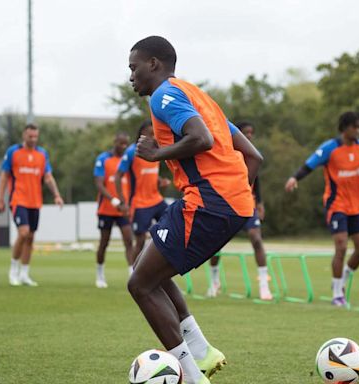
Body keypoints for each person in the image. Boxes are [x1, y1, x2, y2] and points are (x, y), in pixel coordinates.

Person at [127, 36, 263, 384]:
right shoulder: (199, 97)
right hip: (228, 202)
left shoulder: (164, 96)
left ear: (154, 64)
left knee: (140, 285)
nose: (131, 77)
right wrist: (234, 198)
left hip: (208, 202)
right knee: (150, 267)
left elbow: (199, 138)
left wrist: (156, 155)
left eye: (134, 67)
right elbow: (254, 156)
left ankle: (191, 376)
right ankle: (201, 352)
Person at [285, 111, 359, 306]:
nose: (358, 130)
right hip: (336, 205)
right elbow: (309, 165)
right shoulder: (330, 148)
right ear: (344, 128)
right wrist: (294, 178)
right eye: (354, 126)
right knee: (341, 246)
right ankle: (337, 294)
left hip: (356, 207)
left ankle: (344, 277)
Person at [207, 121, 272, 300]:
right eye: (246, 133)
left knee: (256, 238)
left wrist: (260, 202)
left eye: (251, 133)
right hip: (227, 203)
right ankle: (214, 281)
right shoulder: (227, 153)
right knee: (215, 245)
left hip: (247, 203)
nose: (249, 136)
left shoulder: (252, 154)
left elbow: (255, 180)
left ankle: (264, 285)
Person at [0, 123, 64, 286]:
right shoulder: (13, 151)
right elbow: (5, 176)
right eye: (30, 136)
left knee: (31, 237)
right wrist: (0, 199)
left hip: (35, 201)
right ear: (24, 136)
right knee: (23, 232)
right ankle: (13, 270)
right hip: (18, 199)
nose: (33, 139)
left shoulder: (42, 154)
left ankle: (24, 273)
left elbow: (47, 176)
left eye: (35, 136)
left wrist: (57, 195)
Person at [114, 120, 171, 265]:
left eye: (155, 134)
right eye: (150, 133)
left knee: (172, 226)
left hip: (157, 200)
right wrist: (122, 201)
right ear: (142, 134)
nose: (153, 137)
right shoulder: (133, 151)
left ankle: (161, 269)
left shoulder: (156, 149)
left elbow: (148, 174)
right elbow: (118, 176)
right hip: (140, 203)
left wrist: (160, 182)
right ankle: (134, 275)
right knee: (139, 241)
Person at [93, 132, 134, 288]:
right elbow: (99, 183)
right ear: (114, 142)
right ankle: (100, 273)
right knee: (104, 242)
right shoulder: (103, 159)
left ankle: (132, 274)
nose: (123, 147)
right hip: (106, 209)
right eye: (121, 144)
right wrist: (114, 200)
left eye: (126, 144)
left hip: (123, 209)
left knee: (129, 240)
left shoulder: (127, 161)